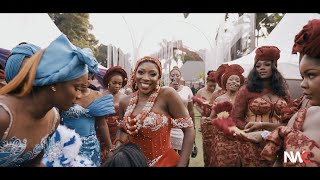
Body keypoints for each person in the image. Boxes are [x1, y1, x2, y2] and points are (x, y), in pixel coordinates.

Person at [0, 34, 93, 166]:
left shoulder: (53, 119)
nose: (80, 96)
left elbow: (34, 163)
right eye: (77, 87)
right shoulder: (3, 116)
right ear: (54, 83)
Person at [215, 46, 292, 166]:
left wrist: (266, 129)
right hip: (252, 145)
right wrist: (251, 131)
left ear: (274, 66)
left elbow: (289, 121)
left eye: (266, 64)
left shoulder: (284, 91)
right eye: (258, 65)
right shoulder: (246, 90)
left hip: (279, 145)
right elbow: (236, 119)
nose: (262, 68)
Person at [116, 56, 195, 167]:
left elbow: (189, 129)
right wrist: (117, 150)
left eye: (152, 74)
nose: (146, 78)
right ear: (134, 74)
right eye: (141, 72)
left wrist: (181, 164)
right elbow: (122, 129)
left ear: (159, 77)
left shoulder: (167, 94)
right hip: (133, 163)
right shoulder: (125, 102)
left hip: (165, 162)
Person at [261, 19, 320, 166]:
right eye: (302, 76)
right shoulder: (301, 118)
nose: (302, 84)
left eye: (311, 75)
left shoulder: (284, 91)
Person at [60, 68, 115, 167]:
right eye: (83, 77)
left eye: (90, 77)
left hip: (91, 146)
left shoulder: (97, 95)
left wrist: (110, 147)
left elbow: (102, 124)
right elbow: (56, 119)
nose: (86, 80)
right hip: (68, 145)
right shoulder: (66, 93)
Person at [204, 64, 244, 166]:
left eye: (237, 80)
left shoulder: (243, 100)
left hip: (238, 138)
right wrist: (212, 121)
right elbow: (211, 119)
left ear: (240, 84)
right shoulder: (219, 99)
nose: (234, 82)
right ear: (225, 83)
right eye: (231, 79)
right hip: (221, 138)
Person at [96, 65, 128, 164]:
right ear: (108, 81)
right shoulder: (100, 96)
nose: (117, 86)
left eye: (120, 83)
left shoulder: (125, 98)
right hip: (102, 133)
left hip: (119, 133)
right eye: (114, 83)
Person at [169, 66, 196, 158]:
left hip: (184, 126)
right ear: (169, 77)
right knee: (170, 157)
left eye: (177, 75)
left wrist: (193, 127)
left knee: (184, 156)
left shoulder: (186, 90)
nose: (175, 77)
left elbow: (191, 110)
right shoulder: (165, 89)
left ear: (181, 77)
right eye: (173, 75)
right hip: (170, 127)